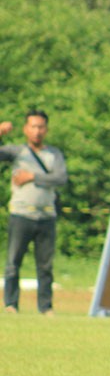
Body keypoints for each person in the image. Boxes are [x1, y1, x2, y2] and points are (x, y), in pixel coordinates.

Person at [1, 110, 68, 315]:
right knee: (13, 263)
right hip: (21, 214)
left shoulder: (54, 154)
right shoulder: (17, 152)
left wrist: (32, 176)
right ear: (25, 129)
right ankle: (11, 304)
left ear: (46, 129)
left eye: (41, 127)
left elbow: (60, 178)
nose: (37, 131)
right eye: (33, 126)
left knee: (45, 266)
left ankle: (45, 307)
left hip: (46, 216)